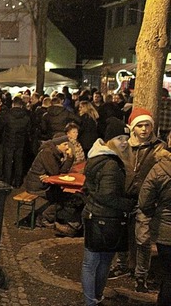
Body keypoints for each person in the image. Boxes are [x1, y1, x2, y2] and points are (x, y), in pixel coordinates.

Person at [109, 107, 167, 292]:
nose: (144, 129)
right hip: (124, 197)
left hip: (146, 200)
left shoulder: (158, 147)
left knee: (143, 239)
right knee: (122, 234)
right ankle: (122, 264)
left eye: (147, 125)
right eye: (140, 125)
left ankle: (141, 275)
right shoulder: (121, 145)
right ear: (132, 127)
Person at [81, 117, 134, 306]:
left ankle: (94, 299)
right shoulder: (111, 163)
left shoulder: (97, 156)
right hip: (104, 218)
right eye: (120, 138)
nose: (124, 142)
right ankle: (92, 301)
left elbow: (92, 190)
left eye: (126, 138)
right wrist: (130, 204)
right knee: (96, 263)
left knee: (97, 262)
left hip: (96, 215)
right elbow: (107, 196)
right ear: (110, 139)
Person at [139, 139, 171, 306]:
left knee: (168, 274)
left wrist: (156, 213)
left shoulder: (159, 169)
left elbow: (144, 201)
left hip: (165, 231)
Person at [25, 134, 74, 228]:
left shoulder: (55, 153)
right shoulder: (47, 153)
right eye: (65, 144)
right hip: (37, 185)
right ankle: (43, 218)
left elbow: (61, 171)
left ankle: (46, 216)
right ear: (57, 145)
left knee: (63, 194)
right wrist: (52, 174)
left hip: (44, 183)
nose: (67, 147)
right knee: (60, 197)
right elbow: (55, 172)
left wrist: (70, 158)